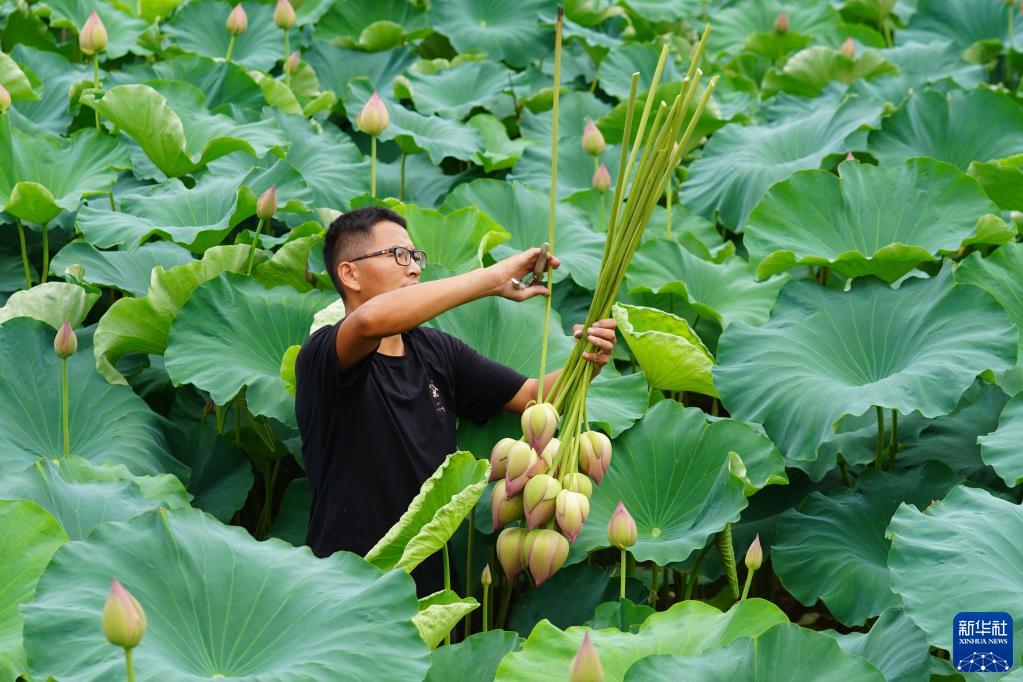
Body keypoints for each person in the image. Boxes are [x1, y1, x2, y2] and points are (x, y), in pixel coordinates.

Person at [294, 206, 618, 596]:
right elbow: (366, 323)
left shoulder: (437, 350)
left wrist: (587, 361)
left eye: (415, 257)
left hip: (431, 580)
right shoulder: (322, 356)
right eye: (398, 255)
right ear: (349, 273)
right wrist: (493, 278)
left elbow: (534, 395)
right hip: (346, 584)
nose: (413, 268)